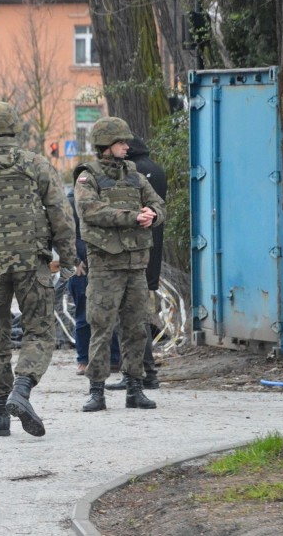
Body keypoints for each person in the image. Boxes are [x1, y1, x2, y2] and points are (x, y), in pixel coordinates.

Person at [0, 102, 77, 437]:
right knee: (39, 332)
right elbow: (61, 216)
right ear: (13, 128)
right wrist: (67, 261)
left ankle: (0, 416)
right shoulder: (36, 165)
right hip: (31, 265)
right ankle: (22, 391)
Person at [74, 117, 166, 412]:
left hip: (136, 263)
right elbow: (90, 211)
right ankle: (97, 390)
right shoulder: (88, 177)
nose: (127, 146)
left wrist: (153, 213)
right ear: (105, 145)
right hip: (105, 265)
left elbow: (158, 204)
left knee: (137, 327)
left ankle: (134, 387)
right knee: (101, 327)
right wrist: (132, 217)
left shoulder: (135, 176)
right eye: (121, 142)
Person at [106, 136, 167, 391]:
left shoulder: (133, 173)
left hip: (132, 254)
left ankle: (138, 373)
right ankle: (147, 373)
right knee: (139, 315)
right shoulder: (156, 170)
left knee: (129, 317)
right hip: (150, 254)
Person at [65, 186, 121, 375]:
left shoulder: (103, 201)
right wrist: (73, 261)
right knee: (84, 316)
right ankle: (84, 360)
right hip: (82, 269)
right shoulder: (70, 204)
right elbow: (61, 235)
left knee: (108, 314)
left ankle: (113, 359)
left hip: (103, 266)